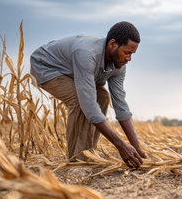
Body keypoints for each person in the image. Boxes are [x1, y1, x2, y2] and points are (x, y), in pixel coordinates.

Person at [30, 21, 147, 168]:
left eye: (132, 54)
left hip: (72, 71)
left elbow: (121, 106)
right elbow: (89, 106)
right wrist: (121, 145)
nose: (129, 58)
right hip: (47, 68)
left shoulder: (120, 66)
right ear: (112, 44)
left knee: (103, 97)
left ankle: (88, 154)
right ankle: (77, 160)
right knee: (80, 101)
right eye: (127, 52)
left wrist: (138, 149)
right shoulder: (86, 54)